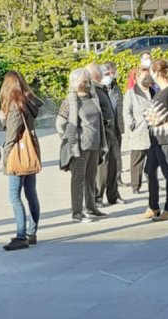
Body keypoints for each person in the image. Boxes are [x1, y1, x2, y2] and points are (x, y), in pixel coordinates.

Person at [0, 71, 42, 251]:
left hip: (18, 153)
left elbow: (12, 135)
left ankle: (21, 235)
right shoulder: (29, 100)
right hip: (31, 150)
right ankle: (32, 232)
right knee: (31, 192)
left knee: (14, 196)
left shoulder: (15, 104)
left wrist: (6, 157)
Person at [56, 68, 107, 223]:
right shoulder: (70, 101)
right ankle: (77, 212)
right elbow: (60, 123)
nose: (88, 83)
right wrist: (70, 137)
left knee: (91, 178)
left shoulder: (93, 97)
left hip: (94, 144)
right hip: (79, 146)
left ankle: (91, 208)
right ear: (76, 82)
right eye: (84, 81)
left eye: (88, 80)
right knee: (78, 179)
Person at [143, 60, 168, 222]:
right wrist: (149, 112)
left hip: (165, 136)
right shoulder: (161, 91)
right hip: (156, 137)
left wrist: (147, 113)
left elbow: (152, 116)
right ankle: (153, 206)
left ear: (157, 73)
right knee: (149, 170)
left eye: (152, 71)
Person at [87, 63, 124, 206]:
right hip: (103, 134)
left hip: (113, 131)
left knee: (114, 164)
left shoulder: (103, 88)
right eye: (100, 71)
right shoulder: (93, 90)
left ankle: (113, 195)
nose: (103, 74)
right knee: (103, 166)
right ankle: (98, 196)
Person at [123, 65, 153, 198]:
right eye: (144, 77)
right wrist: (132, 124)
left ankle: (153, 181)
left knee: (153, 159)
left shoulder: (153, 91)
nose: (147, 79)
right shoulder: (131, 93)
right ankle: (136, 184)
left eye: (148, 76)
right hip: (139, 130)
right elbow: (126, 112)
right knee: (137, 159)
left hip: (153, 129)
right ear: (137, 78)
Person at [103, 62, 128, 187]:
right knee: (107, 156)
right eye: (111, 72)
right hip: (106, 127)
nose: (113, 74)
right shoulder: (100, 88)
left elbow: (119, 105)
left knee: (117, 154)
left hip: (116, 125)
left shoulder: (115, 86)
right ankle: (106, 180)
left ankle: (118, 178)